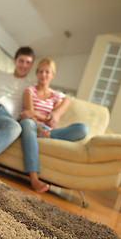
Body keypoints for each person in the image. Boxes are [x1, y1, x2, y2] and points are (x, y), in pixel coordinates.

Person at [20, 58, 88, 193]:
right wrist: (39, 125)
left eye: (47, 72)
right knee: (27, 123)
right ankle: (34, 178)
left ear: (52, 75)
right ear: (36, 73)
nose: (43, 75)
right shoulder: (30, 90)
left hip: (48, 131)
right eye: (40, 71)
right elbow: (28, 115)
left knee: (82, 128)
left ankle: (48, 135)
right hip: (31, 126)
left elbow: (51, 121)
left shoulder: (56, 97)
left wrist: (39, 117)